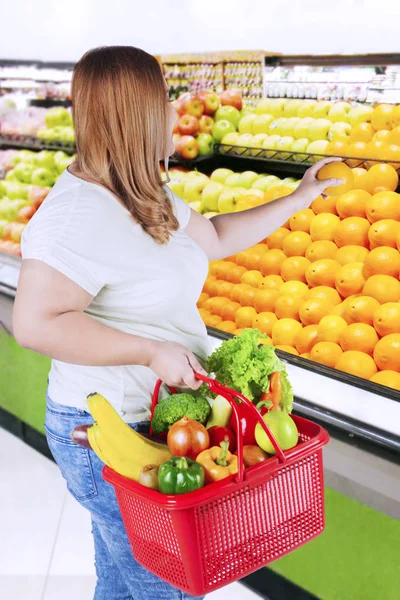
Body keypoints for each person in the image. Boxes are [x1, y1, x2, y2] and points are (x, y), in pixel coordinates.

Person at [13, 46, 343, 600]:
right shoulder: (75, 216)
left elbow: (214, 238)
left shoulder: (140, 189)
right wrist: (148, 351)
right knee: (166, 588)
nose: (177, 109)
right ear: (139, 112)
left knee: (124, 582)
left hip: (157, 419)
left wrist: (299, 197)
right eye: (167, 97)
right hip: (110, 435)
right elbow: (35, 324)